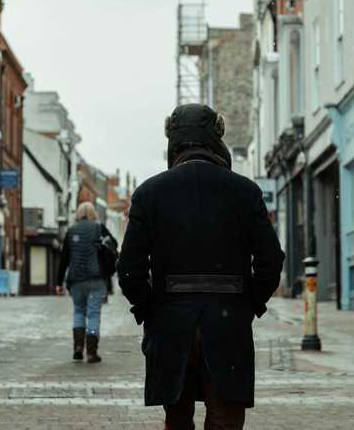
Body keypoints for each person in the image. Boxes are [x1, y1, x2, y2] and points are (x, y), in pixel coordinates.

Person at [118, 104, 285, 430]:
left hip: (170, 323)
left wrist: (150, 308)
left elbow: (129, 269)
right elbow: (270, 261)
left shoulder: (149, 193)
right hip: (228, 323)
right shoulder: (244, 191)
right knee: (225, 418)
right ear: (215, 138)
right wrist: (246, 304)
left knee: (177, 418)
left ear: (174, 141)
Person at [56, 201, 118, 363]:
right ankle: (91, 352)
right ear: (93, 214)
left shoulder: (71, 231)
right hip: (96, 279)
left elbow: (64, 259)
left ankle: (78, 347)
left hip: (76, 280)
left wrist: (58, 283)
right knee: (93, 314)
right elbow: (114, 245)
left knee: (78, 311)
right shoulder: (99, 228)